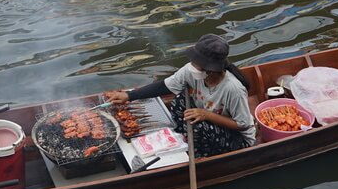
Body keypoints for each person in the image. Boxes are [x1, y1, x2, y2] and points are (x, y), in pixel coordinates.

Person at [105, 35, 256, 158]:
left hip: (237, 138)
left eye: (196, 63)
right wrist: (129, 96)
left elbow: (242, 124)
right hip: (208, 117)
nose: (192, 65)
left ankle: (200, 154)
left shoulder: (233, 89)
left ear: (210, 69)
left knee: (198, 126)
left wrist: (206, 115)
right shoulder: (191, 72)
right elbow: (165, 85)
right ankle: (183, 137)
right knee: (179, 101)